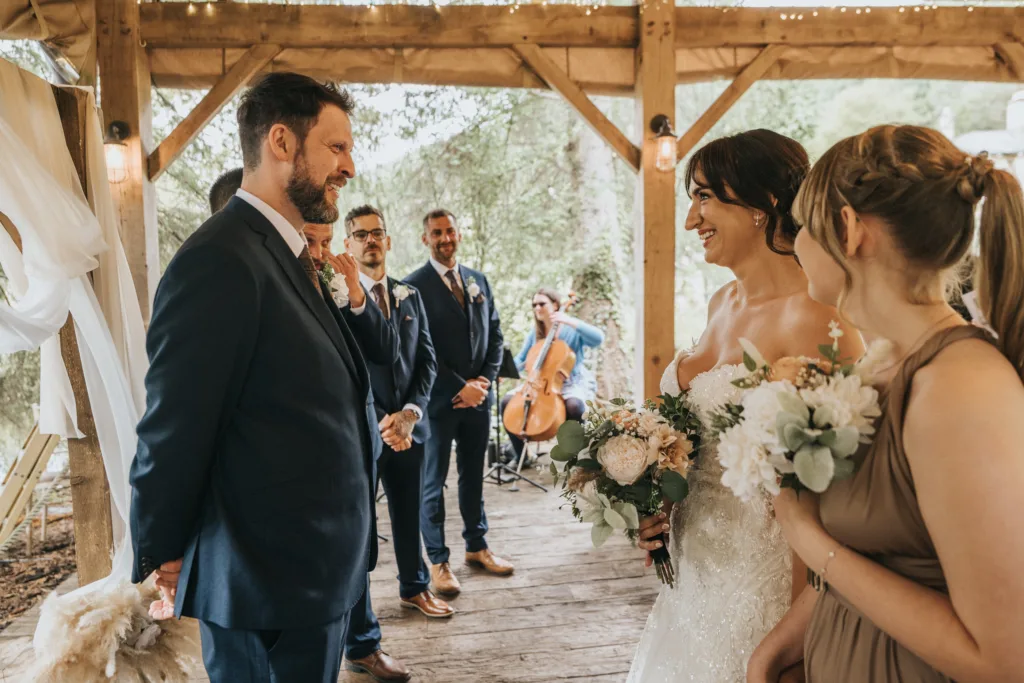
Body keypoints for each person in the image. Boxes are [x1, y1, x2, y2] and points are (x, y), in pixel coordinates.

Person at [129, 73, 385, 683]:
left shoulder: (287, 254)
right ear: (281, 142)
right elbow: (176, 424)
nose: (349, 166)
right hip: (260, 579)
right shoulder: (220, 260)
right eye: (337, 147)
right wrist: (161, 548)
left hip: (309, 573)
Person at [755, 126, 1024, 682]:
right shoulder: (879, 367)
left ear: (850, 230)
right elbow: (878, 559)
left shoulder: (958, 388)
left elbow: (1005, 661)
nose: (795, 243)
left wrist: (808, 540)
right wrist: (775, 653)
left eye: (804, 226)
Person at [627, 130, 863, 683]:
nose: (691, 219)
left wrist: (793, 649)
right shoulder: (720, 302)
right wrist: (654, 495)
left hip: (765, 595)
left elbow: (835, 498)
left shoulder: (819, 317)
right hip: (691, 583)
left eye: (705, 196)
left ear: (764, 205)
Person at [303, 208, 455, 683]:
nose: (369, 241)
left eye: (376, 234)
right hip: (364, 430)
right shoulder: (333, 296)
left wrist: (410, 414)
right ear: (347, 245)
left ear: (388, 242)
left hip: (408, 428)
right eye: (360, 235)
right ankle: (361, 635)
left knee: (408, 510)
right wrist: (380, 421)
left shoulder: (409, 294)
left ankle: (414, 586)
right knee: (361, 529)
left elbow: (426, 359)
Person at [404, 209, 514, 597]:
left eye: (449, 230)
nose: (445, 238)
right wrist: (458, 387)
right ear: (425, 240)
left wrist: (483, 380)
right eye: (436, 233)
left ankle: (476, 546)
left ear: (459, 234)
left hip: (478, 400)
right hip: (437, 403)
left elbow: (496, 334)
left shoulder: (477, 280)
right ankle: (437, 560)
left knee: (473, 477)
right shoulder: (412, 287)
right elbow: (417, 349)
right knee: (432, 482)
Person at [498, 287, 604, 467]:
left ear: (555, 305)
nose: (537, 308)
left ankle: (576, 456)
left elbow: (598, 339)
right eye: (534, 305)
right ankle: (521, 456)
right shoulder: (535, 333)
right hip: (539, 383)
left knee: (575, 406)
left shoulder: (571, 329)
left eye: (542, 303)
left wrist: (569, 320)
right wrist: (504, 372)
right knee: (506, 402)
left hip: (571, 381)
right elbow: (522, 359)